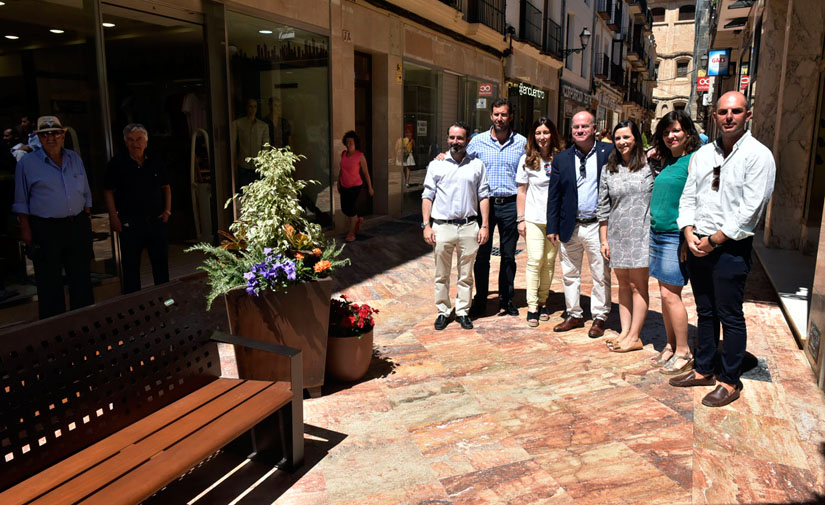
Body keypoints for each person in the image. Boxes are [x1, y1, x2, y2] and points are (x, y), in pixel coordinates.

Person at [671, 91, 776, 408]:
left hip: (730, 248)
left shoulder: (759, 156)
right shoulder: (703, 155)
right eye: (723, 112)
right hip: (698, 242)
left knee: (730, 316)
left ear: (748, 114)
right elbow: (689, 196)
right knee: (705, 312)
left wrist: (715, 239)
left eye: (736, 111)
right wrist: (688, 231)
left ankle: (729, 380)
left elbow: (751, 209)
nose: (729, 116)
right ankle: (703, 369)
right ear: (714, 116)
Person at [12, 116, 94, 319]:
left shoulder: (74, 158)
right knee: (50, 284)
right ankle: (55, 334)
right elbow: (21, 200)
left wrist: (87, 221)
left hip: (76, 224)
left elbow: (85, 192)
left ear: (63, 135)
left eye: (56, 133)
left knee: (81, 279)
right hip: (46, 229)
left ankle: (85, 327)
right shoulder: (27, 164)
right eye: (45, 134)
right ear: (38, 138)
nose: (51, 138)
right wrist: (26, 230)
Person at [546, 110, 613, 337]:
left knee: (600, 273)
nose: (580, 130)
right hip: (570, 226)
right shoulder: (562, 158)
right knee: (569, 272)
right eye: (576, 127)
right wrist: (552, 226)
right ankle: (574, 314)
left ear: (594, 128)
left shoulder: (608, 153)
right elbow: (554, 195)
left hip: (597, 226)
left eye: (585, 126)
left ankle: (599, 316)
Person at [647, 111, 702, 374]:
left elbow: (698, 202)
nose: (671, 136)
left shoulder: (693, 162)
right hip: (657, 234)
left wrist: (686, 236)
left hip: (673, 236)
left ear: (688, 133)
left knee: (672, 296)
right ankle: (670, 345)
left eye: (677, 130)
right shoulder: (669, 161)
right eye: (667, 132)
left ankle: (684, 351)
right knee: (665, 295)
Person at [422, 121, 490, 330]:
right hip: (442, 226)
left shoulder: (477, 165)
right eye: (452, 137)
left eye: (460, 138)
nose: (455, 142)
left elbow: (484, 196)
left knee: (466, 274)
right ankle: (443, 311)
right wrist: (426, 225)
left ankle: (462, 311)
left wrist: (485, 225)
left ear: (468, 140)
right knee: (441, 274)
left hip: (469, 227)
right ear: (448, 139)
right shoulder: (436, 165)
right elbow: (427, 196)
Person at [467, 98, 526, 318]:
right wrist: (444, 157)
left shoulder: (521, 143)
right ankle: (480, 298)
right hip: (486, 205)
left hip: (511, 204)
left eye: (504, 114)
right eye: (496, 114)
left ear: (510, 117)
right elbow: (462, 161)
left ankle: (506, 298)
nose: (499, 118)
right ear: (491, 116)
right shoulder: (478, 141)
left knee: (509, 255)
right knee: (482, 255)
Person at [597, 120, 653, 352]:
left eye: (627, 137)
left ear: (636, 139)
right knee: (622, 285)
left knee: (638, 285)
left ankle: (635, 336)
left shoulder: (650, 167)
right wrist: (604, 239)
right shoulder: (608, 170)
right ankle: (625, 332)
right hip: (617, 234)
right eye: (618, 138)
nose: (622, 142)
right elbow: (602, 207)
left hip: (642, 232)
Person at [104, 124, 171, 294]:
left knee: (161, 270)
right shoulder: (117, 163)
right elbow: (108, 191)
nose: (135, 144)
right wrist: (113, 217)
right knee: (131, 271)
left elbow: (166, 186)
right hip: (130, 224)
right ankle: (134, 312)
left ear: (146, 142)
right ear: (126, 143)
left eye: (139, 139)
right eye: (131, 140)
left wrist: (167, 210)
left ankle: (166, 305)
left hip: (156, 222)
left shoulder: (155, 160)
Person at [516, 117, 562, 327]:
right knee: (535, 260)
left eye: (545, 132)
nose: (542, 137)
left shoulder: (561, 158)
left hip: (555, 220)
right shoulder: (526, 159)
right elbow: (522, 191)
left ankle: (544, 301)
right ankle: (532, 305)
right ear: (533, 136)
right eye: (538, 133)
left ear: (552, 134)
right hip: (534, 218)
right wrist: (521, 219)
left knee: (549, 261)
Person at [338, 130, 374, 242]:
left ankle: (351, 233)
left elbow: (366, 173)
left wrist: (370, 187)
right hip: (344, 185)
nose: (349, 145)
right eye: (347, 142)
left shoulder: (360, 156)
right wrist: (338, 182)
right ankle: (357, 221)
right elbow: (341, 169)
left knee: (351, 209)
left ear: (355, 144)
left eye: (351, 143)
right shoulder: (343, 154)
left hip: (355, 186)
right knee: (345, 209)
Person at [231, 98, 269, 189]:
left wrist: (264, 164)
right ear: (246, 108)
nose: (253, 109)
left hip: (258, 166)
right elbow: (233, 144)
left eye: (255, 107)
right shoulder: (238, 124)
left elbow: (266, 147)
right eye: (250, 106)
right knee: (245, 193)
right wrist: (234, 162)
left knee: (258, 193)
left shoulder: (263, 126)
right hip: (243, 165)